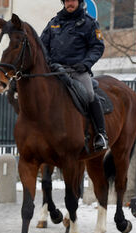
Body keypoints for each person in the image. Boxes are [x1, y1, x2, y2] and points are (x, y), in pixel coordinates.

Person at [40, 0, 108, 151]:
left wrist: (85, 64)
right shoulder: (53, 23)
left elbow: (97, 47)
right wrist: (50, 63)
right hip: (55, 71)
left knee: (90, 94)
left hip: (77, 71)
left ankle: (100, 134)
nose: (70, 3)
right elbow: (42, 46)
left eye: (73, 0)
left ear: (79, 2)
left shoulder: (89, 23)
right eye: (67, 0)